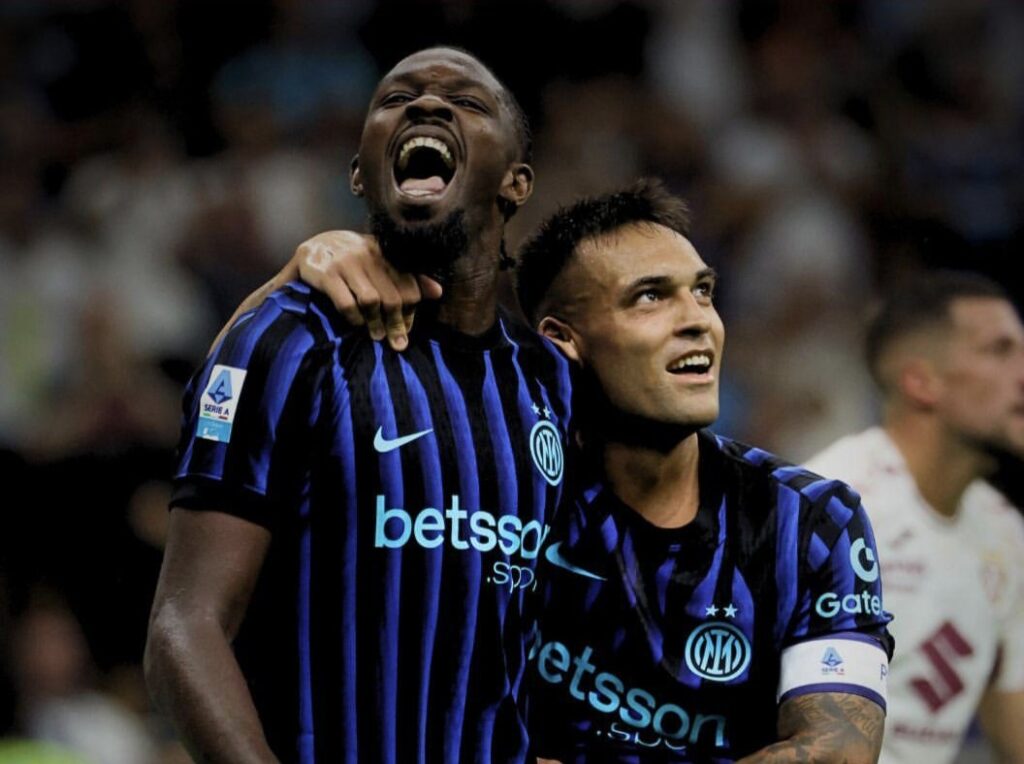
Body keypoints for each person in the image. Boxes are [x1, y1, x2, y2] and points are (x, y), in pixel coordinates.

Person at [145, 46, 574, 764]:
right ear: (357, 174)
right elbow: (183, 629)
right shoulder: (286, 339)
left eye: (468, 102)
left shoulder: (555, 384)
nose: (426, 105)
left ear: (516, 181)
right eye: (396, 99)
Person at [805, 271, 1024, 764]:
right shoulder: (828, 512)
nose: (1022, 373)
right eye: (1000, 350)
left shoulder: (1005, 531)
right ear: (922, 382)